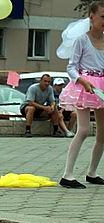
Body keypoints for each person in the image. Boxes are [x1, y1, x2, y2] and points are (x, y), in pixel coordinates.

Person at [58, 1, 104, 189]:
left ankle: (92, 172)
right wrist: (81, 80)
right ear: (91, 17)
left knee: (102, 133)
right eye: (103, 16)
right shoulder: (82, 40)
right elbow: (71, 67)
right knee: (84, 129)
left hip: (101, 86)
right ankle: (67, 175)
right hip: (83, 86)